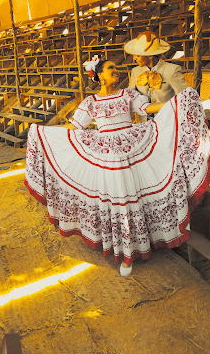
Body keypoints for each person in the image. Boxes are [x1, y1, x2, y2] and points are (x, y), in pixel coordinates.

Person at [25, 59, 210, 277]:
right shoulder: (91, 102)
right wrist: (42, 132)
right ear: (100, 75)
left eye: (115, 67)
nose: (116, 70)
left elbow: (147, 107)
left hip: (132, 150)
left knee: (134, 197)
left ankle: (140, 244)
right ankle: (125, 253)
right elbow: (74, 127)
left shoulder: (128, 95)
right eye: (110, 68)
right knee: (118, 202)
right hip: (107, 157)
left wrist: (176, 102)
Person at [124, 31, 188, 120]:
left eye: (138, 56)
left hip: (167, 121)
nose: (134, 59)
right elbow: (130, 98)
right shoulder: (135, 71)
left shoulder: (172, 70)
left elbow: (184, 98)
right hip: (144, 124)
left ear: (150, 56)